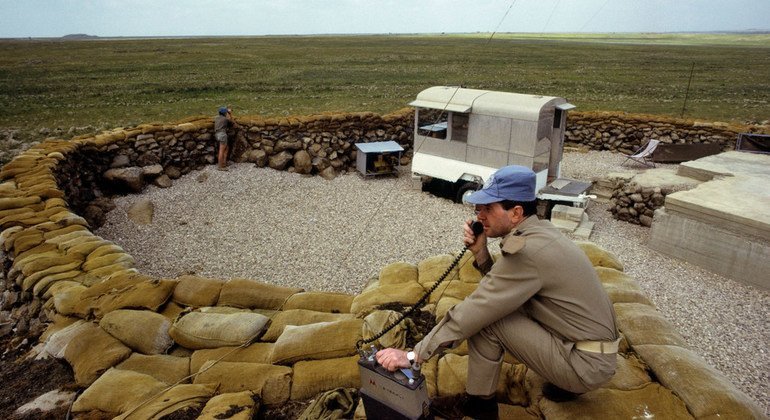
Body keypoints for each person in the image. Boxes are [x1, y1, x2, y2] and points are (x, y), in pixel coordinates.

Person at [376, 165, 619, 419]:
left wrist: (414, 355)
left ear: (515, 213)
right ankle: (562, 381)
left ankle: (480, 405)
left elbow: (480, 306)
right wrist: (481, 253)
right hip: (591, 354)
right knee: (495, 312)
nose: (479, 215)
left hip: (586, 366)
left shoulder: (527, 252)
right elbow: (505, 289)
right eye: (478, 208)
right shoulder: (540, 234)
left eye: (487, 208)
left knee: (487, 321)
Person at [214, 106, 234, 171]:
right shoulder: (225, 119)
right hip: (222, 135)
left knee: (226, 148)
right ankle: (220, 166)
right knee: (221, 150)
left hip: (217, 134)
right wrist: (230, 114)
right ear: (225, 113)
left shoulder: (216, 118)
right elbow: (232, 123)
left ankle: (224, 163)